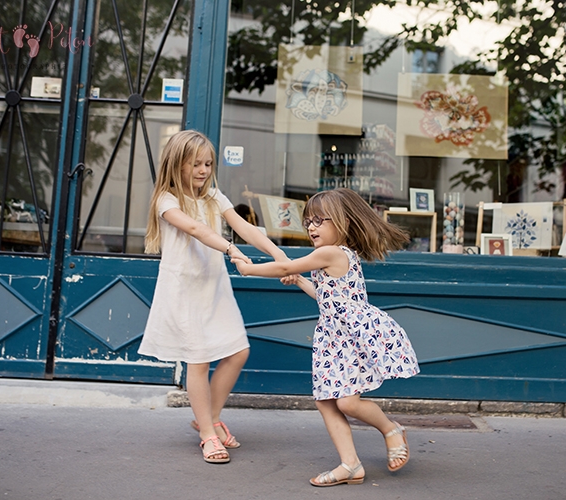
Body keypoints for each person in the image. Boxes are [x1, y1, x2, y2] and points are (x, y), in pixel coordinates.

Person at [231, 188, 420, 486]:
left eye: (320, 220)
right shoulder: (332, 257)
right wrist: (300, 281)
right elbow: (325, 296)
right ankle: (350, 464)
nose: (311, 227)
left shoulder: (331, 252)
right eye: (308, 221)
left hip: (349, 337)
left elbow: (283, 265)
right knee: (326, 400)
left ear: (342, 222)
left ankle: (391, 429)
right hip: (334, 338)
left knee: (346, 402)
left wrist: (247, 269)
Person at [138, 130, 289, 464]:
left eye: (207, 163)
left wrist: (281, 257)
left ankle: (208, 415)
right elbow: (196, 230)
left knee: (238, 351)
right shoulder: (167, 199)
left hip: (214, 287)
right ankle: (208, 434)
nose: (203, 170)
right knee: (199, 358)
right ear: (177, 165)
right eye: (195, 164)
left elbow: (246, 228)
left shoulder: (214, 197)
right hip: (184, 290)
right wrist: (231, 249)